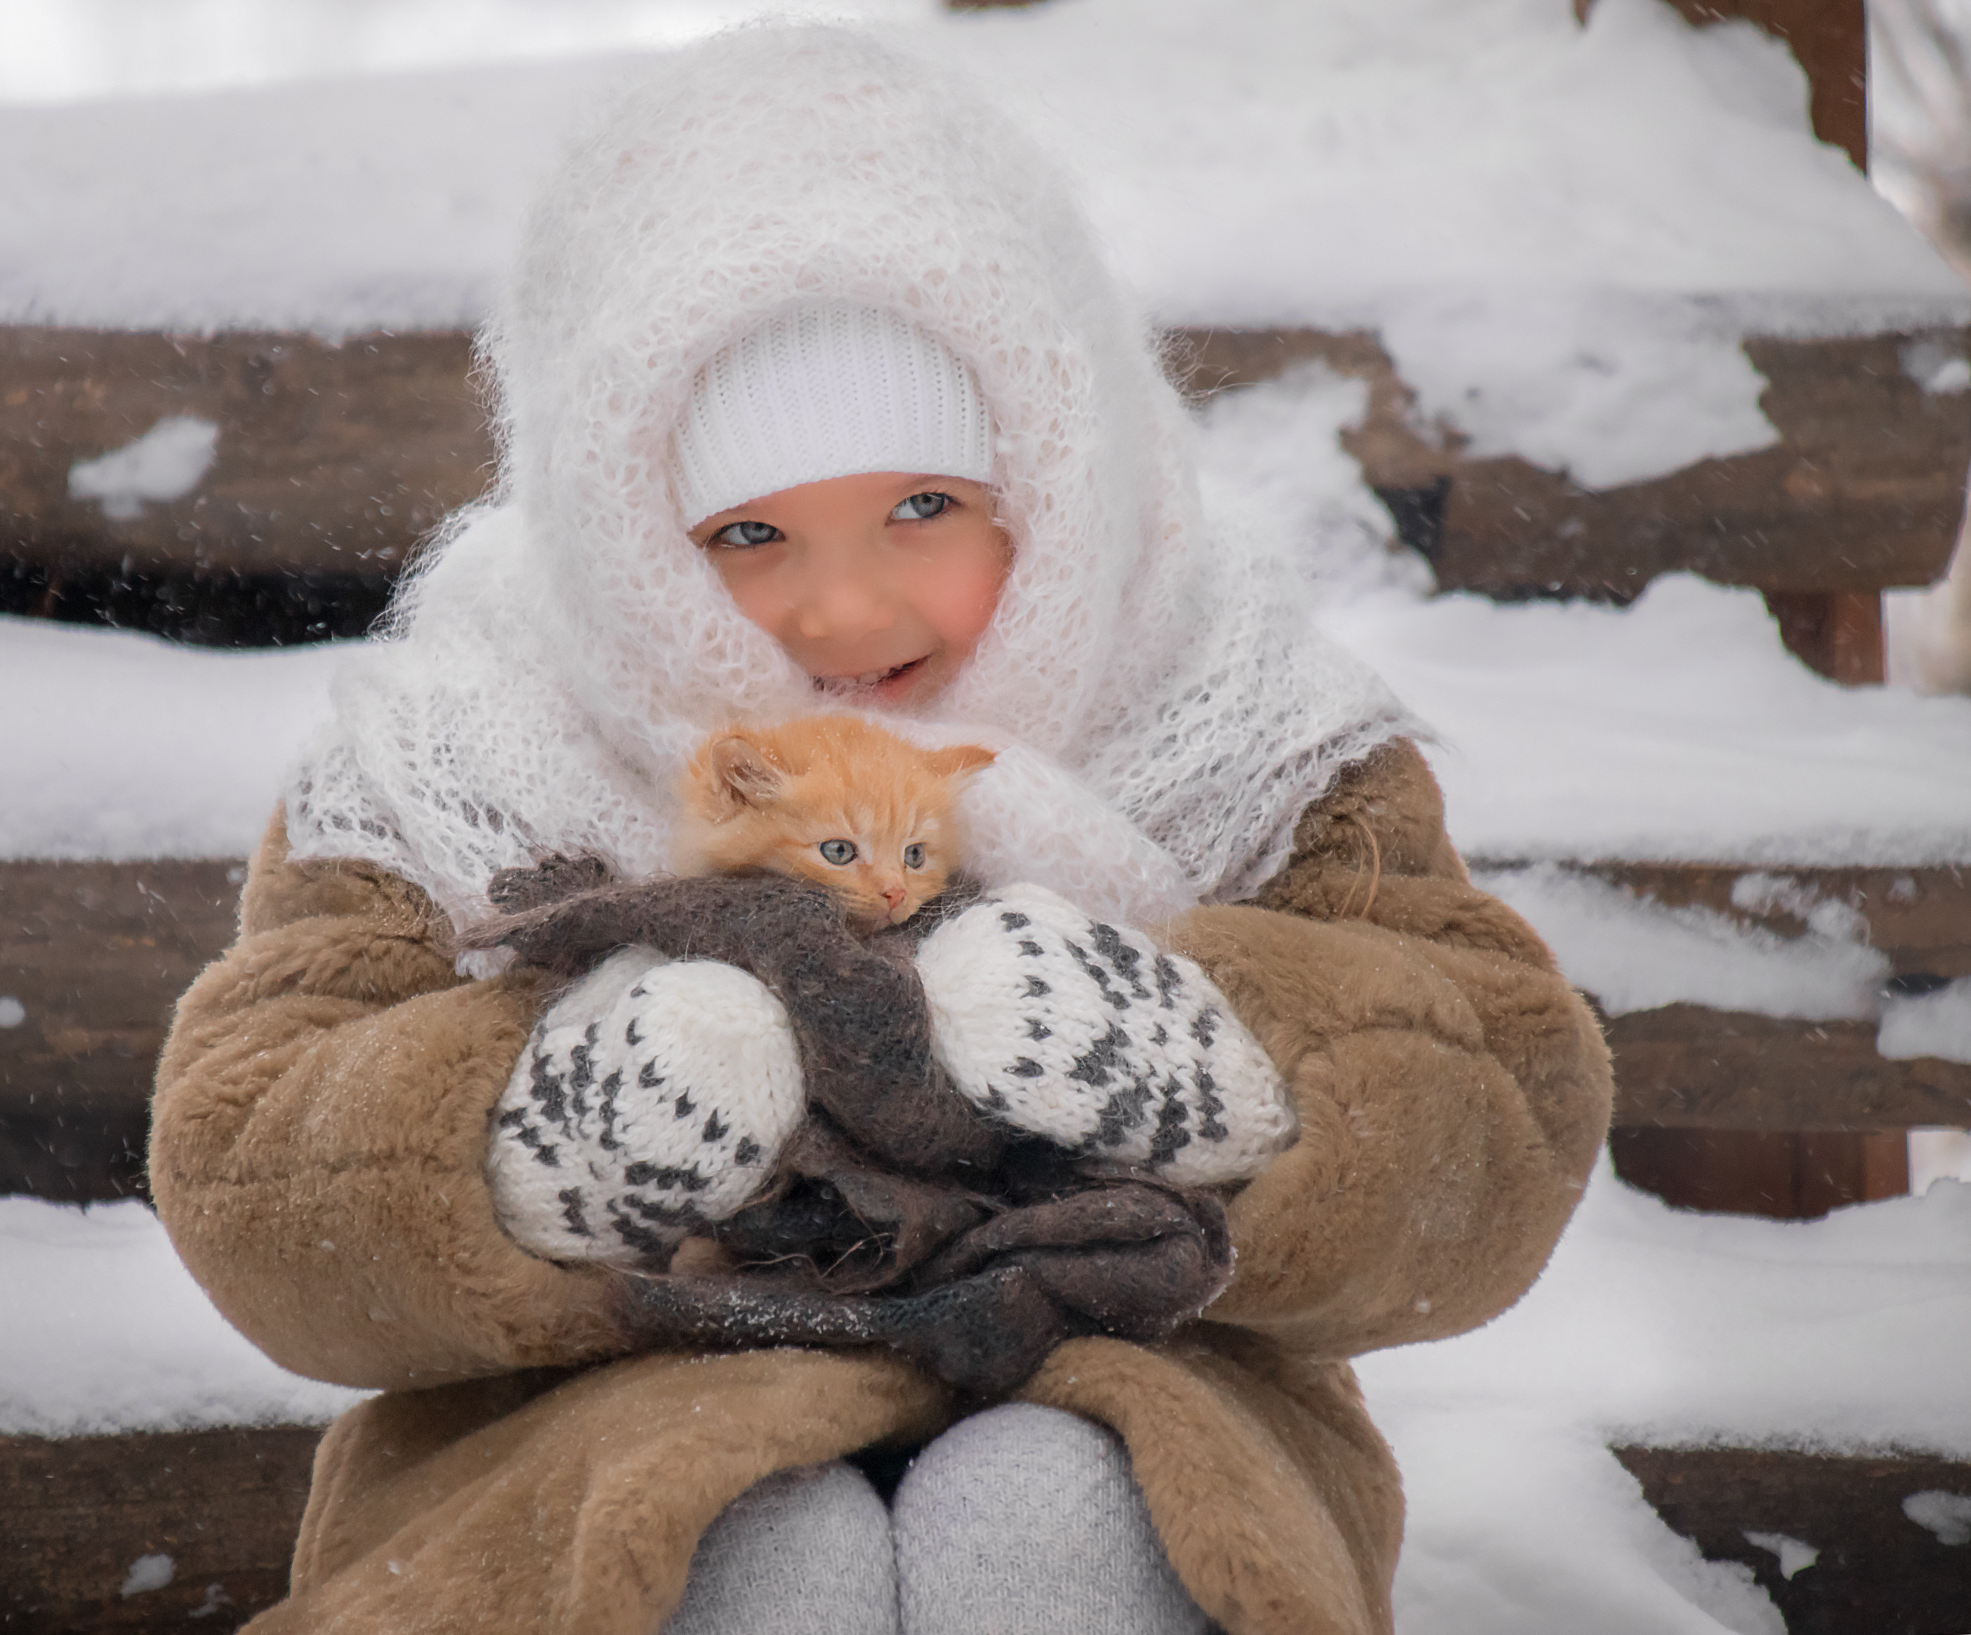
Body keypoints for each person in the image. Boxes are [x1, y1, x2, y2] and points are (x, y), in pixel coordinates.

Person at [149, 26, 1612, 1635]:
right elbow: (248, 1170)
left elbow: (1504, 1127)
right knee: (736, 1531)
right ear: (621, 533)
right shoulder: (467, 740)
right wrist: (553, 1130)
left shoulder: (1230, 706)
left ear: (1048, 479)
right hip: (586, 1419)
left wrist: (1199, 1063)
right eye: (746, 533)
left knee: (1056, 1516)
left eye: (922, 505)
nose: (841, 609)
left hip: (1138, 1374)